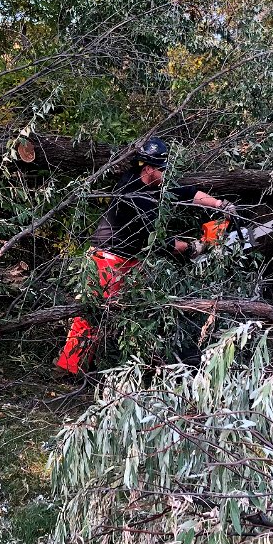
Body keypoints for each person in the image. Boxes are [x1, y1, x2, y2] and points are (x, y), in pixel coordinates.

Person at [55, 137, 235, 375]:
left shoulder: (153, 182)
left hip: (130, 258)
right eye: (163, 170)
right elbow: (159, 241)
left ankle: (145, 366)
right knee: (94, 315)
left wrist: (219, 205)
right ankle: (69, 370)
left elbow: (187, 192)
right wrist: (194, 247)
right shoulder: (133, 195)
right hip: (107, 258)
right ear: (149, 169)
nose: (166, 174)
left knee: (142, 310)